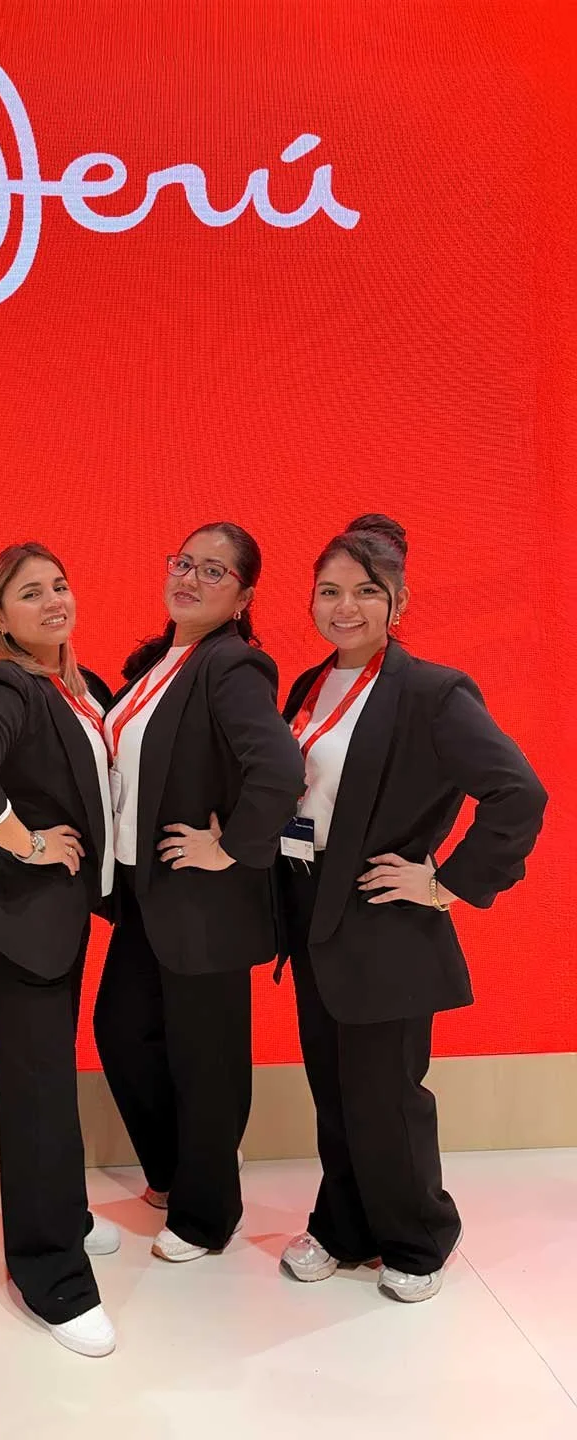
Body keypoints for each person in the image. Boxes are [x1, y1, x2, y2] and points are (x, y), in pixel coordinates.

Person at [277, 514, 547, 1302]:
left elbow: (517, 792)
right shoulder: (309, 683)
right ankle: (344, 1224)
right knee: (333, 1086)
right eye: (329, 591)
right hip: (314, 912)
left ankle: (417, 1236)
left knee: (386, 1095)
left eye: (366, 591)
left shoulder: (431, 691)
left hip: (381, 922)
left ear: (399, 600)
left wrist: (446, 882)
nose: (344, 607)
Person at [93, 523, 304, 1262]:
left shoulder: (232, 665)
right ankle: (180, 1170)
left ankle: (207, 1212)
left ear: (244, 595)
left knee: (206, 1057)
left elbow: (279, 768)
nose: (190, 578)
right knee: (122, 1031)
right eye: (183, 562)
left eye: (214, 572)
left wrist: (231, 848)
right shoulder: (161, 664)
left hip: (204, 903)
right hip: (148, 896)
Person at [0, 542, 120, 1358]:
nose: (52, 601)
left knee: (55, 1082)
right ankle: (52, 1277)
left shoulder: (78, 686)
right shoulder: (8, 683)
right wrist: (28, 844)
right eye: (29, 594)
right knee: (38, 1095)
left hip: (64, 919)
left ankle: (66, 1214)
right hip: (25, 925)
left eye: (59, 585)